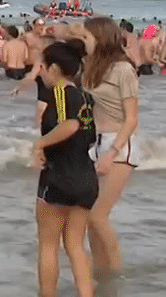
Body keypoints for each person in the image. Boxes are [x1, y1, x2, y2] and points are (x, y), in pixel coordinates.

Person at [33, 40, 97, 297]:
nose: (41, 73)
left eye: (44, 67)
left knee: (48, 246)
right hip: (86, 177)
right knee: (76, 245)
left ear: (55, 69)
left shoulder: (60, 93)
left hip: (60, 177)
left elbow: (69, 125)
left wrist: (39, 144)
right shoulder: (85, 95)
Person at [81, 17, 139, 280]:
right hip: (96, 142)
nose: (84, 41)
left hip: (119, 144)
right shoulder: (92, 66)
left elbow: (132, 118)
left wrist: (112, 153)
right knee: (89, 221)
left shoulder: (123, 69)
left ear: (101, 38)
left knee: (97, 216)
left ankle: (116, 275)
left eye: (87, 37)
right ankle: (99, 274)